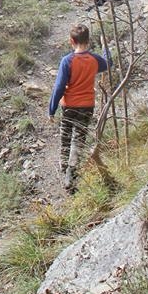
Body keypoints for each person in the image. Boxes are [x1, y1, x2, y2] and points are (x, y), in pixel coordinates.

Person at [49, 24, 109, 192]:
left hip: (69, 105)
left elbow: (59, 87)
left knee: (66, 135)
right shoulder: (95, 60)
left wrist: (52, 109)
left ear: (71, 41)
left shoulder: (67, 61)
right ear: (88, 41)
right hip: (87, 105)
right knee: (79, 139)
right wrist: (105, 47)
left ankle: (64, 165)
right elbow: (108, 63)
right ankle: (72, 171)